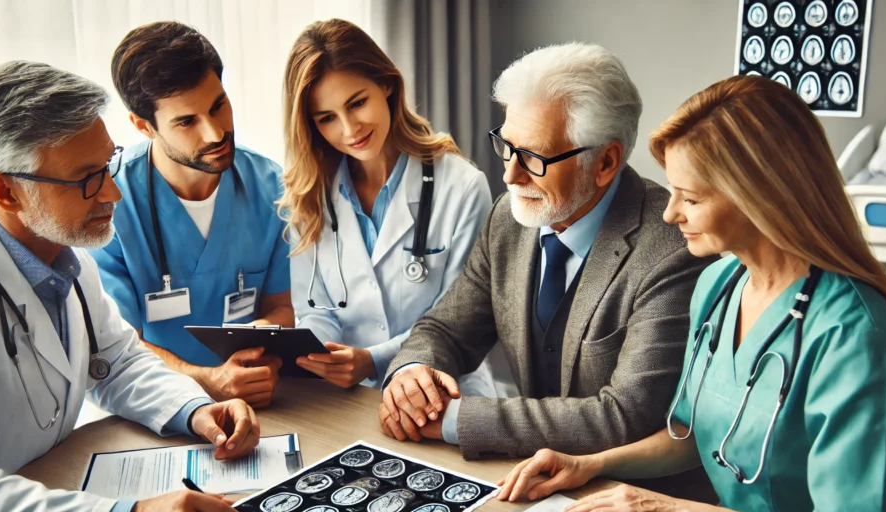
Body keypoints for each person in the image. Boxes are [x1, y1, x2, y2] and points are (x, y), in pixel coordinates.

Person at [496, 76, 886, 512]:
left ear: (763, 196)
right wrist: (589, 464)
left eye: (692, 198)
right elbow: (691, 436)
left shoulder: (852, 332)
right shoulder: (719, 285)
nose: (669, 212)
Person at [0, 62, 262, 512]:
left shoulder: (62, 251)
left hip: (48, 500)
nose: (113, 194)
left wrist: (195, 410)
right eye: (86, 179)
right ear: (6, 191)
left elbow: (117, 362)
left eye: (108, 165)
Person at [379, 43, 714, 465]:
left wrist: (455, 419)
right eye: (507, 145)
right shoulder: (509, 216)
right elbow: (446, 329)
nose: (509, 174)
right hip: (531, 476)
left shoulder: (671, 249)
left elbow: (625, 416)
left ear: (606, 161)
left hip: (624, 492)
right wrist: (412, 376)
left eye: (534, 157)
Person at [279, 19, 497, 395]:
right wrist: (318, 354)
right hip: (346, 399)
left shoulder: (461, 187)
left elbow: (462, 322)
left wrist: (372, 359)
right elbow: (316, 309)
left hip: (443, 389)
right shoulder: (310, 193)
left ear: (387, 85)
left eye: (357, 103)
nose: (349, 129)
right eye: (327, 118)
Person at [91, 22, 290, 409]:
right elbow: (115, 347)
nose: (216, 133)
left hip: (258, 401)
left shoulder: (272, 188)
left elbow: (280, 306)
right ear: (143, 125)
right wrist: (208, 380)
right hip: (153, 402)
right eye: (186, 121)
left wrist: (267, 335)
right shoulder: (109, 203)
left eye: (218, 106)